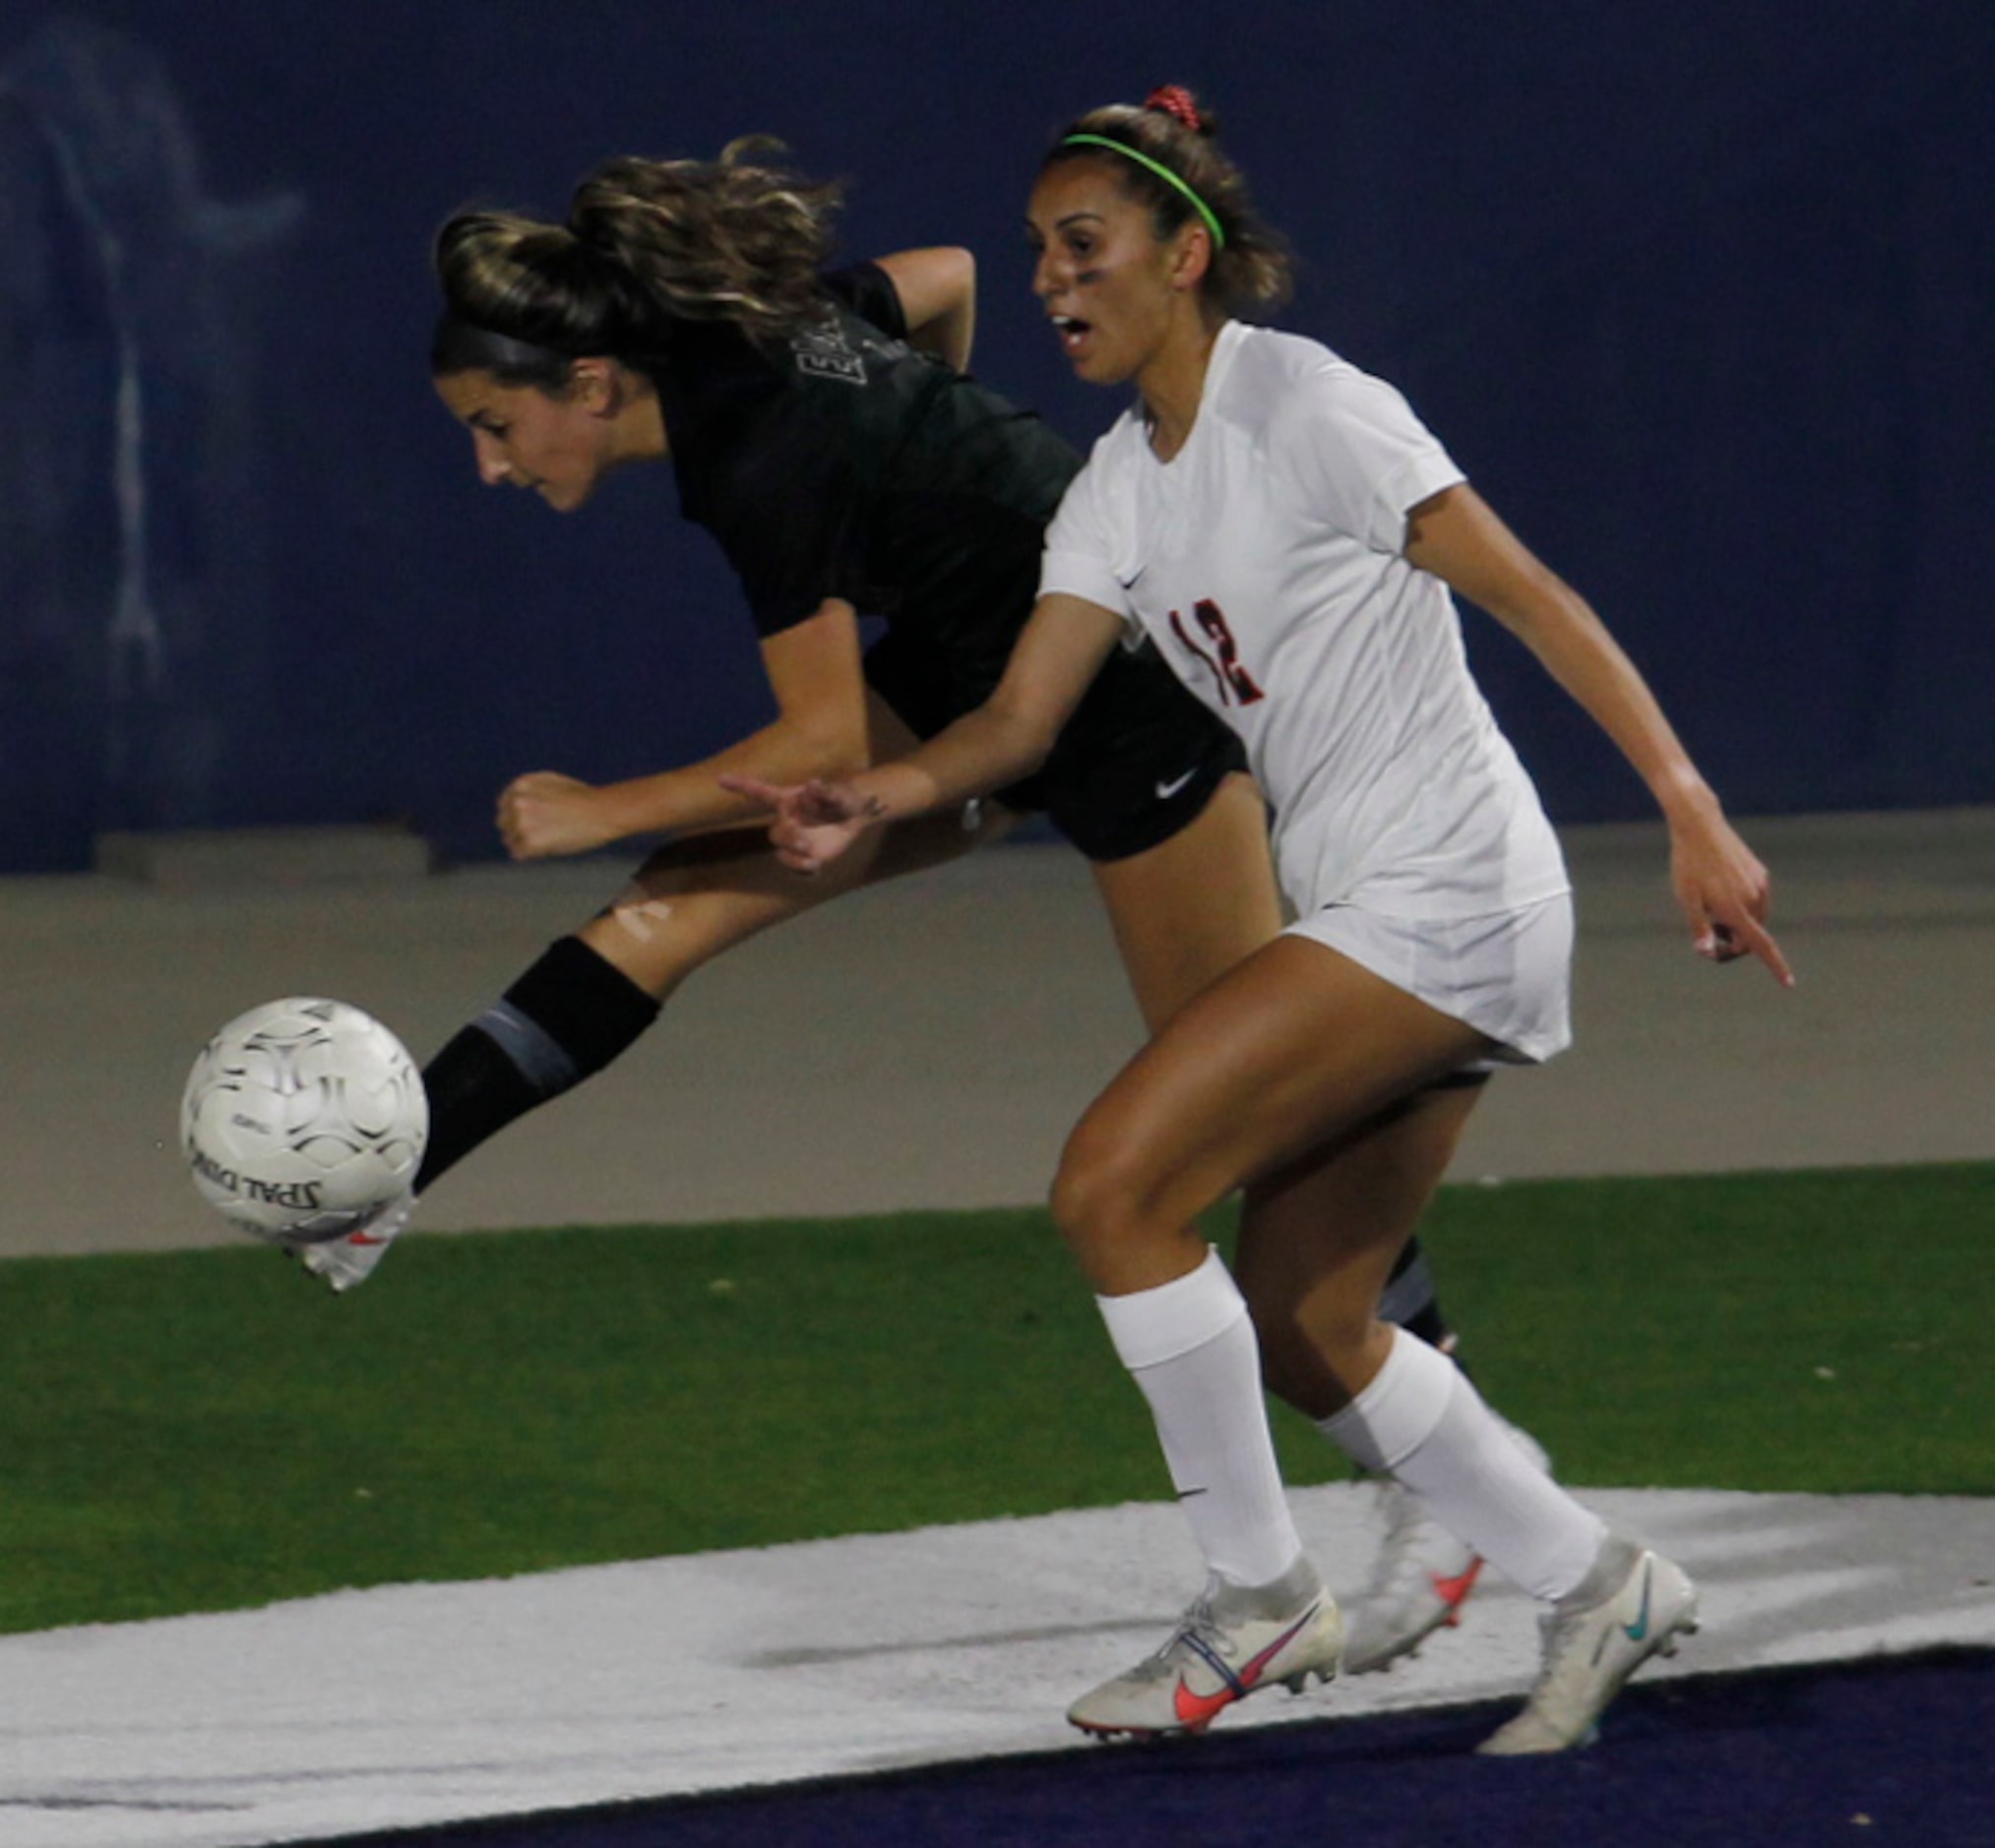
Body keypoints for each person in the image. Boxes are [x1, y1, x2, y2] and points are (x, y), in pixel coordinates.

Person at [288, 136, 1525, 1672]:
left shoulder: (752, 455)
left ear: (591, 385)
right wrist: (930, 485)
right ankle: (385, 1176)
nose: (488, 459)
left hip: (1131, 691)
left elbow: (810, 745)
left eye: (494, 424)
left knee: (1265, 1121)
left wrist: (599, 804)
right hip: (984, 665)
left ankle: (1455, 1475)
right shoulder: (748, 342)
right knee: (668, 916)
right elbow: (939, 285)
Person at [729, 85, 1793, 1755]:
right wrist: (881, 790)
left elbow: (1537, 596)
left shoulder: (1308, 404)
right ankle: (1600, 1582)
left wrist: (1689, 804)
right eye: (1037, 255)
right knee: (1310, 1321)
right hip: (1384, 903)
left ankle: (1254, 1595)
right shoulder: (1112, 488)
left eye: (1084, 245)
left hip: (1448, 891)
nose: (1052, 280)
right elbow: (1016, 728)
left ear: (1187, 252)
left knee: (1113, 1184)